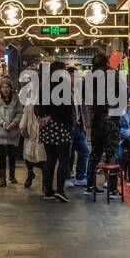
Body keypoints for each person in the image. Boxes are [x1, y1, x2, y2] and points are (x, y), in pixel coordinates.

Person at [38, 61, 76, 202]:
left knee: (50, 160)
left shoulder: (44, 85)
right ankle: (60, 190)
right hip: (61, 128)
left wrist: (43, 117)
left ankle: (48, 190)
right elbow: (65, 109)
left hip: (47, 128)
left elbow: (39, 106)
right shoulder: (63, 85)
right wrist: (69, 124)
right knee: (64, 160)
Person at [85, 52, 122, 198]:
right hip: (111, 118)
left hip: (96, 119)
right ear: (106, 62)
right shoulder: (112, 74)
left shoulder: (90, 77)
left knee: (95, 152)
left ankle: (90, 185)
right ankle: (112, 188)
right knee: (111, 153)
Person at [0, 77, 22, 187]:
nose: (5, 89)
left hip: (13, 133)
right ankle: (2, 178)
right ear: (0, 89)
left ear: (11, 88)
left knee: (12, 155)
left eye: (7, 87)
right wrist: (3, 123)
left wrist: (13, 123)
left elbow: (19, 113)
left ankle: (12, 175)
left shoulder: (16, 100)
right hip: (0, 133)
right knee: (2, 156)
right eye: (3, 87)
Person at [69, 69, 91, 186]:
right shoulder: (63, 92)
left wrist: (86, 123)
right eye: (74, 77)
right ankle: (67, 177)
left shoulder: (78, 91)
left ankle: (80, 177)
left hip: (79, 127)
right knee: (69, 154)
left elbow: (83, 108)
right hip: (68, 128)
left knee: (84, 152)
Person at [19, 93, 45, 189]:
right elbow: (25, 113)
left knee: (44, 159)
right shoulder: (30, 97)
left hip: (42, 132)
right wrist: (22, 127)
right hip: (30, 132)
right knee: (28, 156)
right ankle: (30, 174)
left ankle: (45, 182)